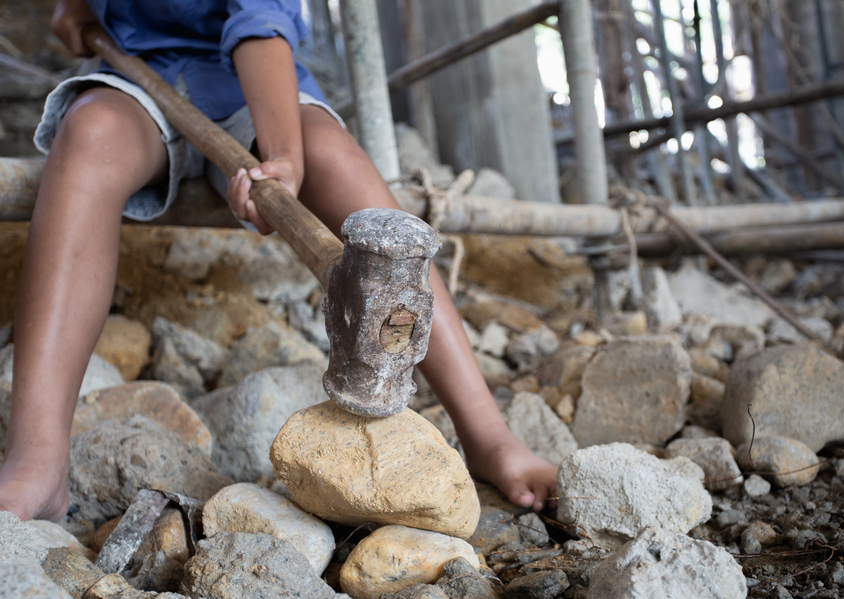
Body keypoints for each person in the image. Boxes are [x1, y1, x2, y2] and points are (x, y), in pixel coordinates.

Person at [0, 0, 557, 522]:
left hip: (254, 86)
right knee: (89, 135)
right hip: (140, 79)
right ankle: (38, 456)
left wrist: (283, 156)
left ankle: (488, 433)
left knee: (335, 160)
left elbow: (259, 23)